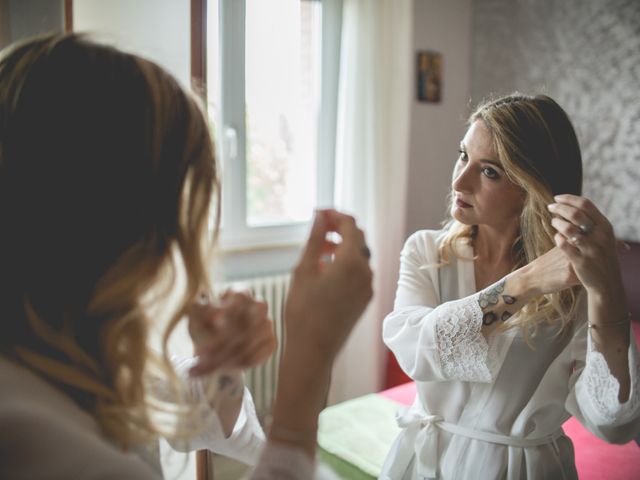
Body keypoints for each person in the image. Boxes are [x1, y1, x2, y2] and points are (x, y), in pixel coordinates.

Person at [0, 34, 373, 479]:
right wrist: (309, 366)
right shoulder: (26, 436)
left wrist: (219, 363)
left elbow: (174, 404)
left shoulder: (56, 347)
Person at [381, 93, 640, 479]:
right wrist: (528, 280)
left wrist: (607, 293)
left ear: (530, 188)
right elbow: (416, 350)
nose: (459, 180)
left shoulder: (577, 284)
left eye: (490, 171)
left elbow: (612, 421)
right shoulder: (427, 252)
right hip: (422, 464)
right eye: (463, 155)